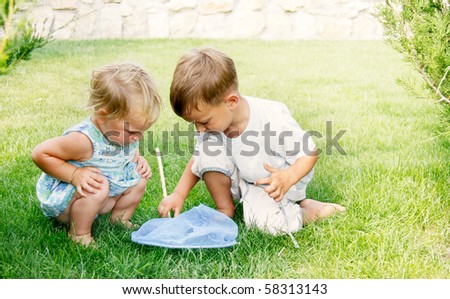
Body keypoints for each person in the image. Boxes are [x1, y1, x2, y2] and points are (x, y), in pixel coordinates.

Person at [157, 47, 345, 236]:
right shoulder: (216, 125)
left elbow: (310, 151)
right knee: (208, 149)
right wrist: (178, 194)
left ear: (231, 102)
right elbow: (198, 158)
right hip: (246, 174)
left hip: (275, 182)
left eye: (204, 121)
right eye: (194, 123)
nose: (199, 129)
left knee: (265, 224)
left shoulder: (271, 119)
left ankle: (307, 211)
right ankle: (225, 210)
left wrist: (289, 177)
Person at [32, 63, 162, 246]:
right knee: (99, 186)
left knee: (139, 179)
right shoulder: (82, 141)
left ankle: (119, 219)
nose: (138, 138)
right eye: (133, 132)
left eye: (143, 131)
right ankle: (79, 233)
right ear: (103, 116)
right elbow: (40, 153)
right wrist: (75, 175)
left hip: (103, 196)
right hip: (69, 203)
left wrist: (138, 160)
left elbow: (129, 151)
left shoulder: (124, 134)